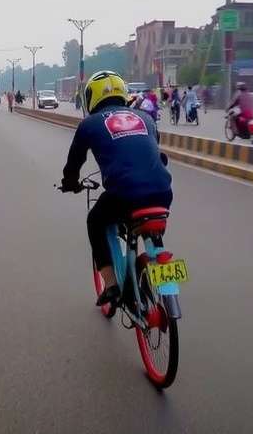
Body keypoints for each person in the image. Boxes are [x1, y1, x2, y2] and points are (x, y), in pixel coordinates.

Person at [60, 70, 173, 307]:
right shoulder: (146, 118)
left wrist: (70, 183)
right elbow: (154, 151)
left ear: (92, 97)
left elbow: (74, 164)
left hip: (124, 195)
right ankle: (164, 281)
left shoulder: (89, 124)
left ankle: (111, 285)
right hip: (162, 192)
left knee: (95, 220)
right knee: (149, 227)